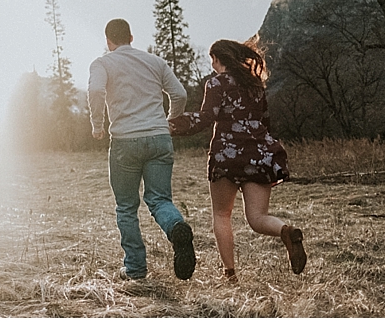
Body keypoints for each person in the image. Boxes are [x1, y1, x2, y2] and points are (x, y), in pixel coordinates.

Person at [168, 38, 306, 282]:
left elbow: (205, 118)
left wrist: (171, 125)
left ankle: (229, 274)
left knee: (222, 215)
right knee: (258, 218)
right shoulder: (255, 86)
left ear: (219, 59)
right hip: (258, 155)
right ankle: (286, 231)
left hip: (227, 156)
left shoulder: (216, 83)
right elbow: (265, 122)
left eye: (212, 60)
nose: (212, 65)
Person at [87, 18, 196, 281]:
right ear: (131, 37)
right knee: (160, 200)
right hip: (159, 137)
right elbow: (179, 94)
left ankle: (135, 270)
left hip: (125, 140)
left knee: (126, 207)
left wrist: (97, 125)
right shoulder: (155, 62)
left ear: (108, 41)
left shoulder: (103, 63)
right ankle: (176, 227)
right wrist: (170, 121)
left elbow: (95, 90)